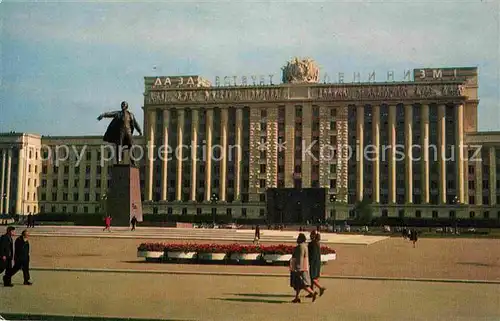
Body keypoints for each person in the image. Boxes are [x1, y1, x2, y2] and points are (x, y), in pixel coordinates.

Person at [289, 233, 317, 303]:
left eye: (298, 238)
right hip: (303, 267)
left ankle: (313, 293)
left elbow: (300, 258)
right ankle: (297, 297)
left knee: (302, 284)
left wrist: (298, 268)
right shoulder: (305, 246)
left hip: (300, 268)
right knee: (298, 284)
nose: (297, 239)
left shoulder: (300, 247)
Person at [307, 230, 326, 297]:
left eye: (311, 234)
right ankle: (311, 292)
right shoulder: (317, 243)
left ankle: (320, 288)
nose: (310, 235)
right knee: (313, 277)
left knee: (312, 278)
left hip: (313, 263)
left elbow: (312, 255)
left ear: (314, 235)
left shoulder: (312, 244)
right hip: (317, 262)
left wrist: (309, 262)